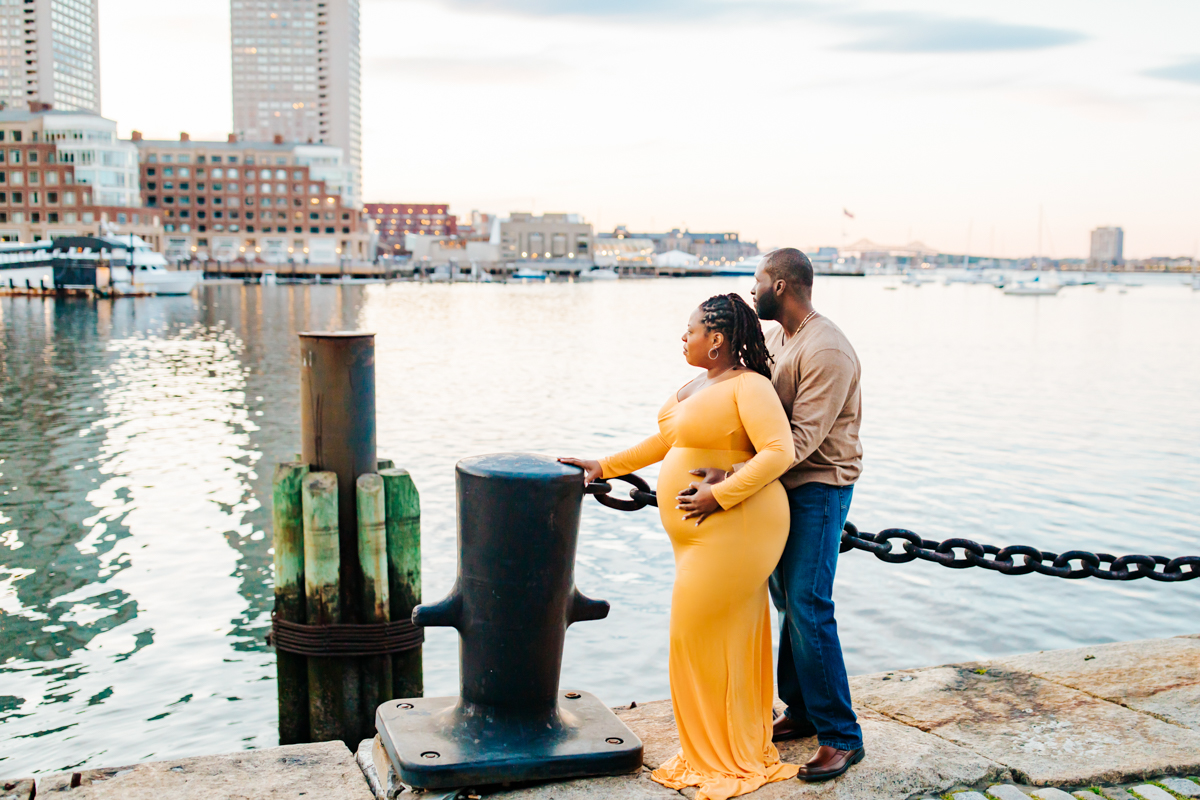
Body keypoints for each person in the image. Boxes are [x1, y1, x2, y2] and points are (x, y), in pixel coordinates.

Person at [560, 293, 799, 800]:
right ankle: (726, 741)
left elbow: (781, 451)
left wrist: (719, 494)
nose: (683, 338)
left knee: (691, 634)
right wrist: (605, 465)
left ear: (716, 340)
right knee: (723, 635)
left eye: (690, 331)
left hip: (740, 525)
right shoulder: (697, 384)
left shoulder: (750, 386)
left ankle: (719, 753)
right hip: (697, 536)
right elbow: (666, 443)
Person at [697, 247, 866, 781]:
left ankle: (842, 736)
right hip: (779, 488)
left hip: (818, 488)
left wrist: (731, 480)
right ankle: (802, 711)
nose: (752, 290)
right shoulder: (779, 339)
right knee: (787, 601)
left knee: (810, 604)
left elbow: (800, 441)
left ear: (782, 286)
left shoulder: (827, 349)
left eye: (758, 281)